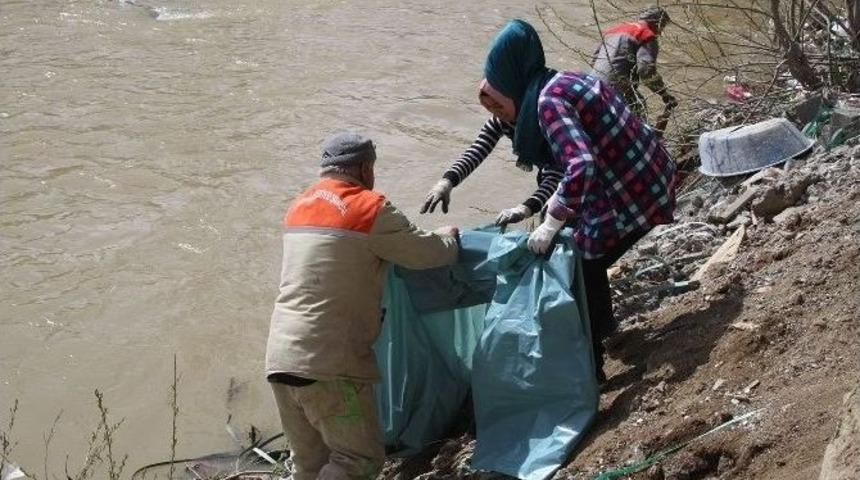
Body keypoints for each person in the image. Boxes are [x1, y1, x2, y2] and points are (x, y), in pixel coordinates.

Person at [479, 19, 677, 383]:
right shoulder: (562, 79)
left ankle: (591, 368)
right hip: (653, 174)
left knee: (577, 268)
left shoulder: (547, 103)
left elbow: (581, 165)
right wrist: (543, 208)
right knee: (578, 250)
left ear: (511, 81)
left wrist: (551, 221)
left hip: (637, 193)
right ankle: (604, 327)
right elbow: (575, 163)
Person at [265, 131, 460, 480]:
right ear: (365, 169)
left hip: (280, 357)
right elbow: (425, 253)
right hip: (329, 365)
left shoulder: (297, 206)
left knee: (309, 465)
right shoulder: (369, 208)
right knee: (361, 460)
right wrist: (449, 239)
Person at [420, 27, 563, 227]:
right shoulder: (508, 114)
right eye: (489, 107)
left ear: (513, 88)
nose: (497, 113)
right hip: (559, 183)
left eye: (499, 106)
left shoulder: (550, 111)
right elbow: (478, 149)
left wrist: (526, 208)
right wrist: (447, 182)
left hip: (588, 180)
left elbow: (558, 172)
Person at [591, 6, 677, 117]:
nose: (660, 33)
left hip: (592, 83)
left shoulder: (614, 30)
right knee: (639, 108)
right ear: (658, 23)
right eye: (662, 27)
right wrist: (664, 94)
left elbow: (594, 60)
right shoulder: (646, 35)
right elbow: (646, 70)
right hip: (615, 90)